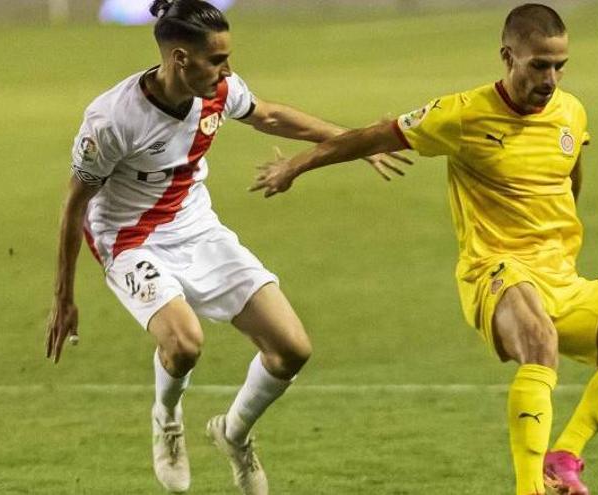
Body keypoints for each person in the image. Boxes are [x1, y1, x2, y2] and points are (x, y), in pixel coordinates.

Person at [250, 4, 598, 494]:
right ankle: (528, 489)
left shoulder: (571, 111)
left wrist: (559, 238)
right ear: (508, 57)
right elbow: (373, 135)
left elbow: (569, 170)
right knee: (540, 345)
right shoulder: (463, 115)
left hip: (560, 275)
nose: (551, 78)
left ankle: (564, 457)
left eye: (559, 66)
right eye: (539, 65)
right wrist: (296, 166)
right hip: (494, 268)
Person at [44, 1, 410, 494]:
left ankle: (234, 434)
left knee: (291, 350)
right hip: (129, 237)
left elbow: (271, 116)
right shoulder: (112, 121)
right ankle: (167, 419)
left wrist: (356, 142)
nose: (227, 70)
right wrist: (63, 298)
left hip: (197, 228)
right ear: (179, 59)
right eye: (216, 59)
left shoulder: (216, 91)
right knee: (185, 343)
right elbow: (74, 205)